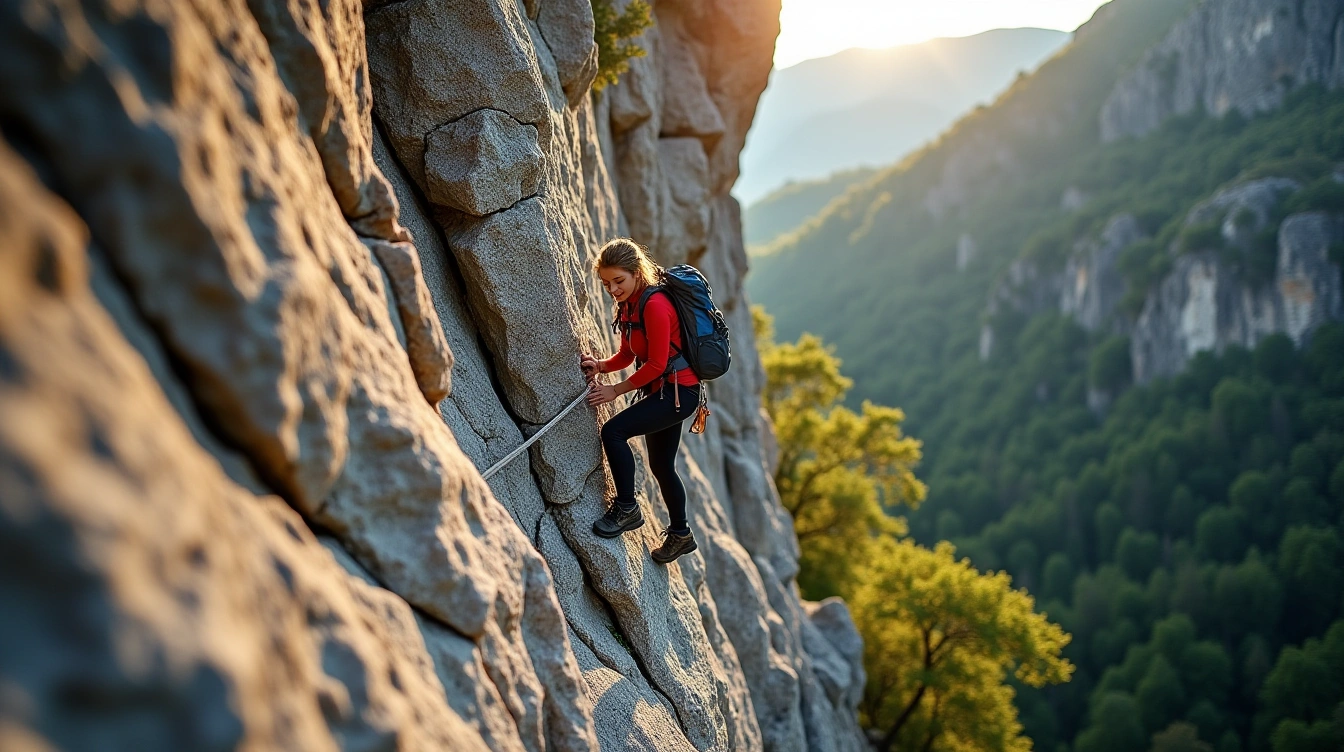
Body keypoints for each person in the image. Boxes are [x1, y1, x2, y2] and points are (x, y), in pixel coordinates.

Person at [581, 238, 700, 564]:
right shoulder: (629, 304)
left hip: (679, 394)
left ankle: (626, 508)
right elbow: (628, 353)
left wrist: (614, 391)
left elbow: (658, 363)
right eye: (606, 283)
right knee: (661, 465)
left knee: (614, 432)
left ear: (636, 273)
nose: (613, 289)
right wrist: (601, 366)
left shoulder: (655, 304)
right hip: (663, 392)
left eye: (618, 281)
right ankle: (680, 535)